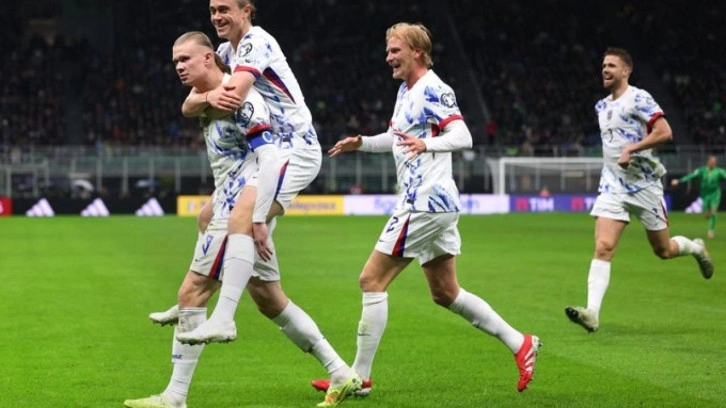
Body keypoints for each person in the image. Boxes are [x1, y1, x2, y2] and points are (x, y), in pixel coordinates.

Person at [125, 32, 356, 408]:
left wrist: (257, 214)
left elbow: (266, 157)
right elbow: (195, 114)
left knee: (192, 293)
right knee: (269, 299)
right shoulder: (205, 96)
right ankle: (341, 372)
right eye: (175, 61)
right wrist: (214, 197)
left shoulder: (242, 99)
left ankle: (175, 395)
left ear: (208, 59)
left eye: (185, 59)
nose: (179, 67)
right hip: (229, 196)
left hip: (243, 202)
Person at [311, 22, 541, 397]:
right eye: (388, 51)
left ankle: (359, 377)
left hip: (425, 201)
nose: (388, 57)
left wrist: (428, 145)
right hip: (432, 202)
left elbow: (463, 135)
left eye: (395, 50)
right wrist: (362, 143)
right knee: (445, 292)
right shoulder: (406, 91)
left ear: (417, 51)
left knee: (371, 280)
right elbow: (397, 139)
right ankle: (521, 343)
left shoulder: (435, 88)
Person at [565, 47, 714, 333]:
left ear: (626, 71)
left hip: (644, 185)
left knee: (663, 250)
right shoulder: (601, 106)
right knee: (603, 247)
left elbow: (665, 132)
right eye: (603, 65)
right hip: (612, 186)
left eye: (611, 65)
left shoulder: (639, 97)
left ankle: (696, 248)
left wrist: (632, 149)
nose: (605, 69)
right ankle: (592, 313)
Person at [671, 155, 726, 239]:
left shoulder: (719, 171)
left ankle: (711, 230)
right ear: (708, 161)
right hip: (705, 194)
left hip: (715, 194)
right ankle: (708, 215)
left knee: (713, 211)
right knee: (707, 215)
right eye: (711, 161)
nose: (713, 163)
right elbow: (691, 176)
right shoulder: (702, 170)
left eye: (714, 161)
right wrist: (679, 181)